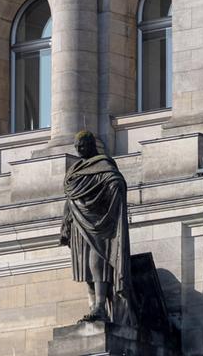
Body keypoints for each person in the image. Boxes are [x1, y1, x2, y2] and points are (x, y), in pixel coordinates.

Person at [58, 130, 133, 324]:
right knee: (84, 267)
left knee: (96, 263)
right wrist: (66, 222)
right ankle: (93, 306)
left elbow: (115, 182)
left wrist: (115, 187)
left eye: (82, 145)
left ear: (91, 144)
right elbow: (70, 198)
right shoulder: (74, 170)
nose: (79, 149)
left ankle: (100, 305)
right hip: (78, 222)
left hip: (99, 223)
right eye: (76, 147)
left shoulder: (103, 164)